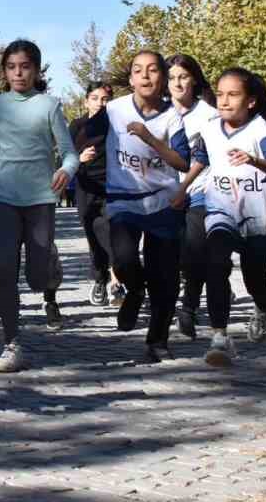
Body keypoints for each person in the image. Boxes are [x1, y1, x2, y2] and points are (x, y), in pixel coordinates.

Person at [0, 40, 79, 374]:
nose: (19, 73)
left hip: (41, 200)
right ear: (4, 71)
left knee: (36, 278)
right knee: (5, 273)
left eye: (25, 66)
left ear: (36, 69)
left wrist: (65, 170)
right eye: (12, 67)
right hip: (7, 201)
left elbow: (69, 152)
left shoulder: (50, 105)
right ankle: (11, 343)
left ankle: (47, 263)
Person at [81, 50, 192, 363]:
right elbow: (83, 136)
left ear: (163, 78)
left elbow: (182, 160)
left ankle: (158, 340)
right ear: (130, 79)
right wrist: (70, 160)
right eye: (138, 71)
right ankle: (134, 290)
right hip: (123, 200)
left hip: (163, 202)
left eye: (153, 70)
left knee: (166, 276)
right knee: (125, 260)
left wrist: (150, 139)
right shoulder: (114, 110)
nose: (145, 76)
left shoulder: (173, 117)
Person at [175, 68, 266, 366]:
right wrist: (182, 188)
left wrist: (254, 160)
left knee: (254, 278)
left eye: (232, 95)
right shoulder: (210, 129)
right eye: (220, 94)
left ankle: (264, 307)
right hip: (220, 207)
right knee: (216, 264)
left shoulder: (260, 129)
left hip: (256, 214)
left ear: (250, 101)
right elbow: (200, 159)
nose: (223, 101)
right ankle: (220, 336)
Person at [166, 55, 220, 340]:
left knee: (195, 249)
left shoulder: (208, 114)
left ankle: (189, 305)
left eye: (183, 76)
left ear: (194, 79)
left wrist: (184, 187)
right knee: (171, 254)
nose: (177, 82)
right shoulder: (157, 113)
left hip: (200, 189)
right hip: (164, 192)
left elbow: (205, 156)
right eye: (172, 77)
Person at [70, 80, 116, 307]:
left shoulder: (115, 125)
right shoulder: (77, 126)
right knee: (92, 236)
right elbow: (66, 158)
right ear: (86, 101)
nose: (100, 103)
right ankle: (99, 279)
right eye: (95, 98)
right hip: (85, 187)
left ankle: (119, 280)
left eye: (105, 99)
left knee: (110, 232)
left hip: (111, 187)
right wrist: (79, 159)